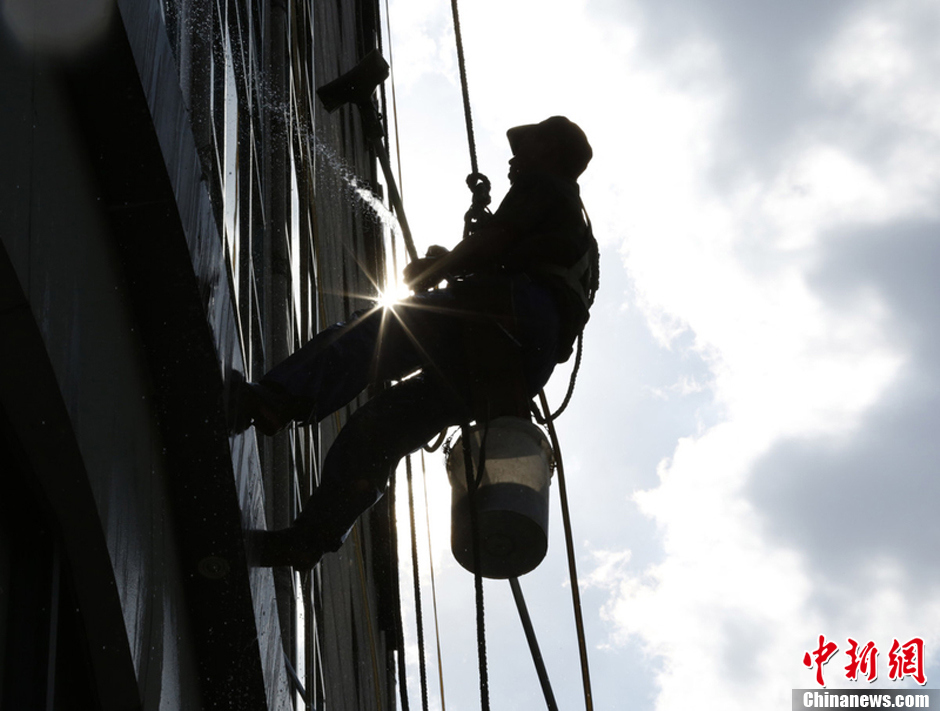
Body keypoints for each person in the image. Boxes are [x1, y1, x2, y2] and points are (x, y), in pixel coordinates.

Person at [232, 116, 598, 569]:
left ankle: (273, 401)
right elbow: (521, 262)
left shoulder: (546, 186)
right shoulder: (578, 234)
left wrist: (437, 272)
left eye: (527, 147)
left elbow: (495, 242)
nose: (513, 158)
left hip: (499, 317)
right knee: (380, 430)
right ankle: (308, 540)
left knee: (375, 333)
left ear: (552, 154)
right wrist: (457, 264)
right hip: (516, 366)